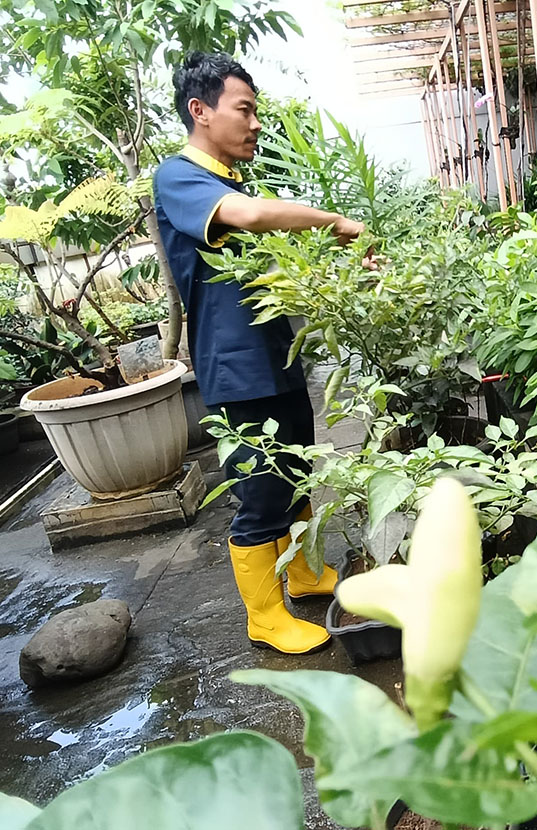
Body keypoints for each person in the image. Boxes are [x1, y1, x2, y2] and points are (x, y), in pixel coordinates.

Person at [154, 52, 365, 655]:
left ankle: (300, 573)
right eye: (243, 109)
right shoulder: (181, 177)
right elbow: (249, 218)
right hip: (236, 369)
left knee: (294, 472)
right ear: (201, 111)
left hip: (274, 356)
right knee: (260, 490)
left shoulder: (227, 182)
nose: (254, 123)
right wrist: (334, 223)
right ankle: (265, 617)